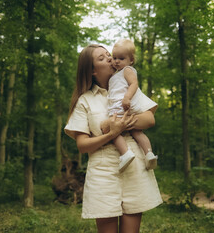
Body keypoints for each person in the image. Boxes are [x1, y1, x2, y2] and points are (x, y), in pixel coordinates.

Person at [64, 44, 162, 233]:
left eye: (108, 55)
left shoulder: (128, 89)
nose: (109, 59)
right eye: (102, 58)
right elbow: (82, 145)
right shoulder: (85, 100)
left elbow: (149, 119)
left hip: (134, 167)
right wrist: (111, 133)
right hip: (103, 173)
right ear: (92, 70)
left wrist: (121, 124)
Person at [103, 39, 158, 172]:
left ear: (131, 60)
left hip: (123, 106)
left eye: (121, 58)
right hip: (122, 106)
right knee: (136, 131)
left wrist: (127, 98)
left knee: (113, 130)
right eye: (114, 57)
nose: (116, 61)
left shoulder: (127, 70)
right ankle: (148, 154)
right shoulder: (115, 75)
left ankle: (125, 153)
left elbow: (134, 84)